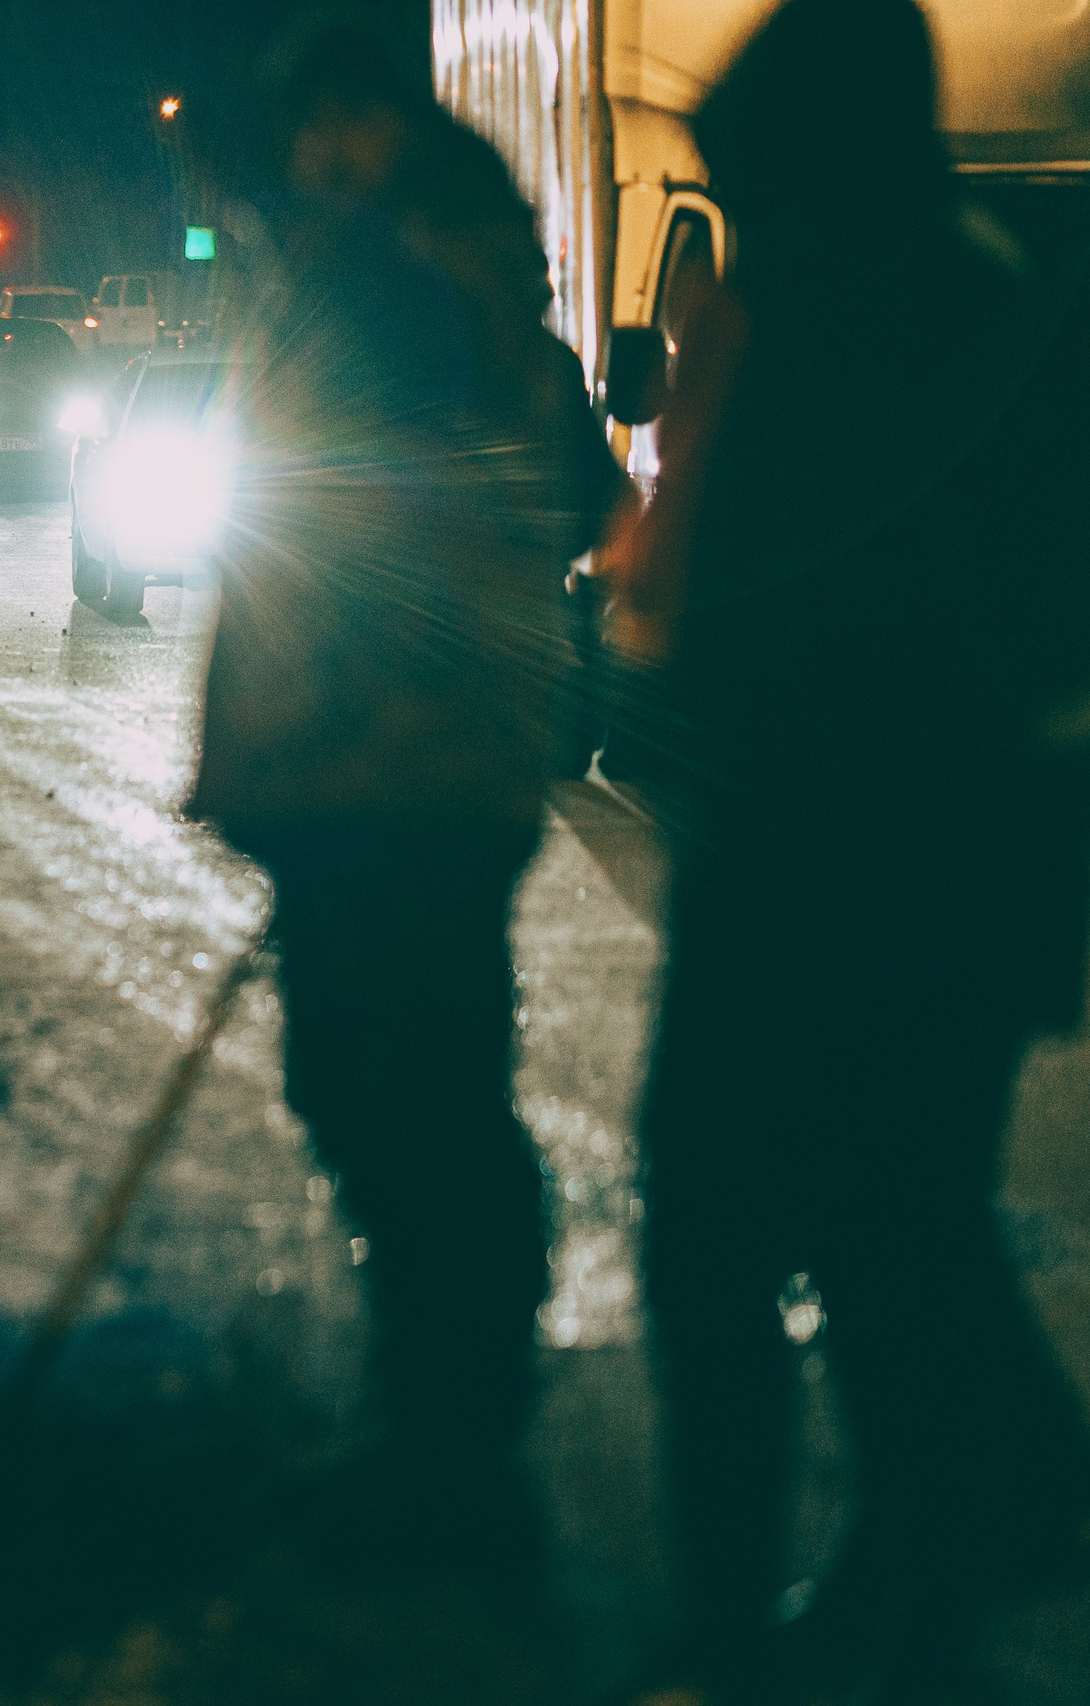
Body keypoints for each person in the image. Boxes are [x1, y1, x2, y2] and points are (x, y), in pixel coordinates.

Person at [613, 2, 1090, 1698]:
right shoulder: (972, 296)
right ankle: (917, 1574)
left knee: (739, 1237)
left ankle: (776, 1607)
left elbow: (758, 599)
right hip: (915, 870)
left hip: (827, 867)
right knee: (890, 1239)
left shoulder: (849, 316)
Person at [187, 27, 621, 1557]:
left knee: (410, 1099)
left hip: (392, 775)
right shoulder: (443, 271)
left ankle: (453, 1435)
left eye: (333, 134)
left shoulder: (403, 275)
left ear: (371, 129)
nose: (311, 167)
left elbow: (368, 528)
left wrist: (315, 726)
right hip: (405, 767)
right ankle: (437, 1416)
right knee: (391, 1089)